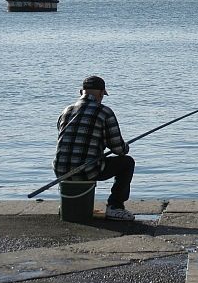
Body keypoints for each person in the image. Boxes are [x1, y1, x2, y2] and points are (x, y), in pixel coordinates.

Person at [54, 76, 136, 221]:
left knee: (82, 161)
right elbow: (118, 149)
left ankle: (70, 204)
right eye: (103, 95)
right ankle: (115, 207)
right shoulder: (104, 112)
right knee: (127, 163)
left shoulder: (66, 111)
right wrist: (125, 147)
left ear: (81, 92)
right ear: (100, 93)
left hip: (61, 171)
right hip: (87, 170)